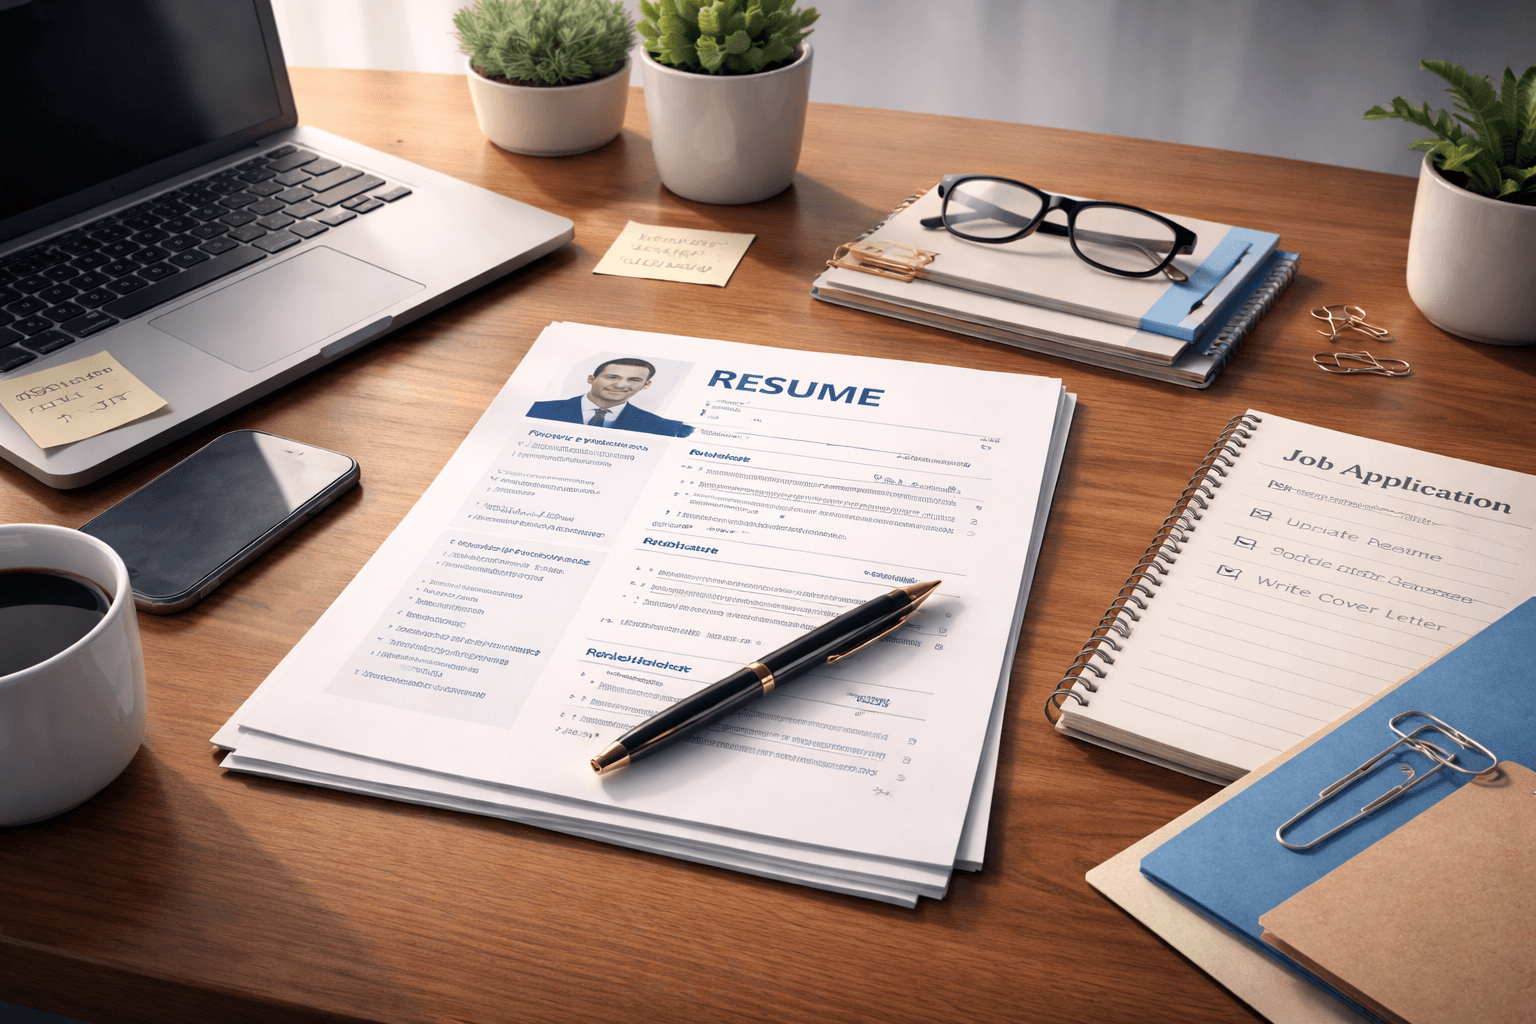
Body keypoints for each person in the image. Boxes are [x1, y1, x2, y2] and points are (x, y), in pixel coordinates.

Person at [527, 358, 694, 438]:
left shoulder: (666, 428)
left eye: (634, 380)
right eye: (612, 377)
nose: (620, 385)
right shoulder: (535, 410)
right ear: (591, 379)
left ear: (646, 385)